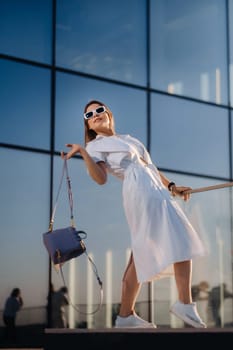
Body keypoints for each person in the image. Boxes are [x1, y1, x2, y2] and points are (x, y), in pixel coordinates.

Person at [61, 99, 207, 328]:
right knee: (181, 238)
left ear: (108, 114)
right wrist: (83, 153)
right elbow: (100, 179)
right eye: (89, 115)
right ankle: (184, 304)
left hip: (156, 191)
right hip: (139, 192)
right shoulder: (94, 147)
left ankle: (125, 316)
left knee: (144, 252)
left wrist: (172, 187)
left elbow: (151, 168)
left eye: (99, 110)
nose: (95, 115)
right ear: (88, 126)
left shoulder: (130, 139)